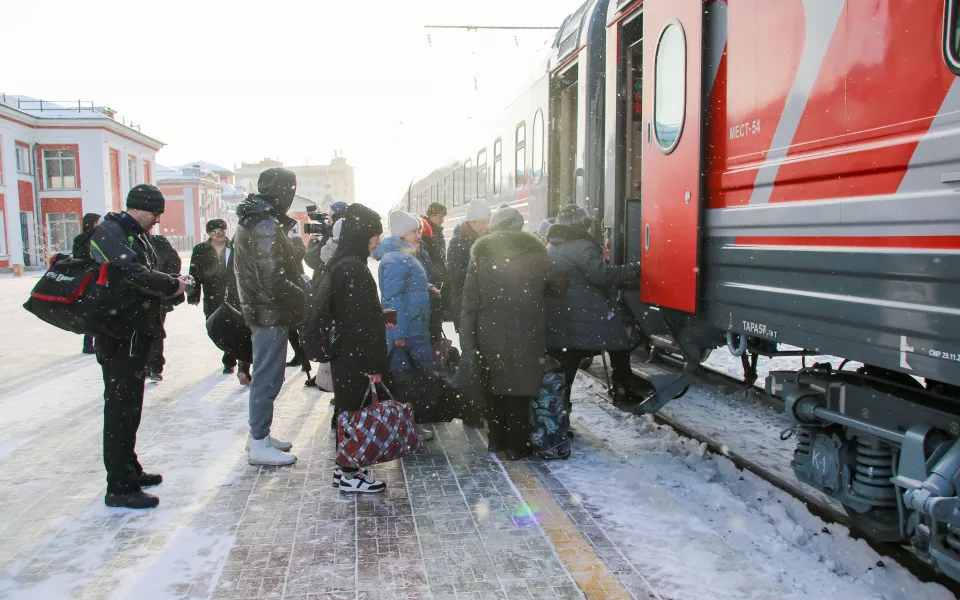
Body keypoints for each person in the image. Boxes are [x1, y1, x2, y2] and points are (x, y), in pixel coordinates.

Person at [90, 184, 190, 509]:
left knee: (129, 409)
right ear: (138, 207)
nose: (158, 221)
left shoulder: (132, 233)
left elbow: (147, 271)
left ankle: (129, 469)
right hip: (119, 334)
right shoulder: (110, 232)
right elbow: (132, 273)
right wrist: (171, 284)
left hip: (134, 332)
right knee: (120, 411)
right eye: (155, 213)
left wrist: (174, 283)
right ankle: (119, 486)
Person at [459, 206, 567, 460]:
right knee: (520, 388)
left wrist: (468, 341)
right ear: (519, 227)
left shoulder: (480, 256)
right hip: (526, 332)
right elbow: (560, 284)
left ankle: (497, 440)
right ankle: (517, 445)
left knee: (494, 386)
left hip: (490, 332)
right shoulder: (537, 254)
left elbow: (469, 303)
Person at [234, 168, 306, 467]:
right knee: (268, 375)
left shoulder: (256, 219)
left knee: (267, 373)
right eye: (290, 190)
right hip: (268, 311)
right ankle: (260, 440)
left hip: (263, 309)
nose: (291, 197)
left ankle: (258, 437)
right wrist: (305, 295)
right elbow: (273, 278)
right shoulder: (265, 224)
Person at [545, 204, 641, 412]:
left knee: (566, 368)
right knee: (618, 343)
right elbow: (603, 275)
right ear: (582, 224)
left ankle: (559, 416)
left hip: (563, 315)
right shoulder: (582, 246)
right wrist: (635, 269)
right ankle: (623, 388)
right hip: (586, 314)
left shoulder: (552, 246)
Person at [322, 203, 390, 493]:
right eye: (375, 235)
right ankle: (350, 473)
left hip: (345, 352)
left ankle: (345, 468)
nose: (377, 240)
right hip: (355, 354)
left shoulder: (343, 263)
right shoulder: (354, 269)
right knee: (353, 411)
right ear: (363, 234)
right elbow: (361, 323)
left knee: (348, 410)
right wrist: (374, 366)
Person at [372, 212, 438, 440]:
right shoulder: (396, 259)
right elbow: (390, 301)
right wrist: (396, 332)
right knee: (407, 382)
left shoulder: (401, 256)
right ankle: (408, 427)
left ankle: (411, 425)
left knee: (411, 379)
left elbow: (404, 289)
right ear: (402, 234)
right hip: (407, 332)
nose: (418, 235)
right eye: (414, 231)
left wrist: (426, 287)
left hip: (413, 327)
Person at [188, 219, 240, 374]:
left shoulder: (233, 247)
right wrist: (193, 294)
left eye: (222, 230)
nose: (220, 233)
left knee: (232, 327)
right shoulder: (201, 249)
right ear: (209, 233)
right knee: (213, 325)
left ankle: (229, 359)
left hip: (232, 293)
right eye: (216, 231)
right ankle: (226, 348)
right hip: (211, 293)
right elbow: (195, 272)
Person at [146, 234, 185, 383]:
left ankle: (153, 366)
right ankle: (151, 366)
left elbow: (174, 261)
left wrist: (165, 281)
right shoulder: (131, 240)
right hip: (145, 295)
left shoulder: (156, 241)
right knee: (153, 330)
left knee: (153, 330)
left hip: (155, 295)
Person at [446, 200, 490, 331]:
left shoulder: (486, 239)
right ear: (472, 222)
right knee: (469, 346)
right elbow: (454, 274)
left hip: (483, 304)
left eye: (487, 221)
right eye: (482, 222)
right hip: (465, 304)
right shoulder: (458, 242)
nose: (485, 225)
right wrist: (479, 273)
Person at [73, 212, 102, 354]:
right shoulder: (95, 238)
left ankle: (88, 343)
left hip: (83, 277)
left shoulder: (79, 238)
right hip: (96, 277)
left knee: (88, 311)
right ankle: (95, 343)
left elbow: (77, 256)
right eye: (98, 222)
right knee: (97, 310)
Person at [417, 217, 444, 345]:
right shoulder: (400, 258)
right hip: (417, 317)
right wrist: (397, 332)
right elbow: (391, 301)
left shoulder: (422, 252)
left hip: (424, 311)